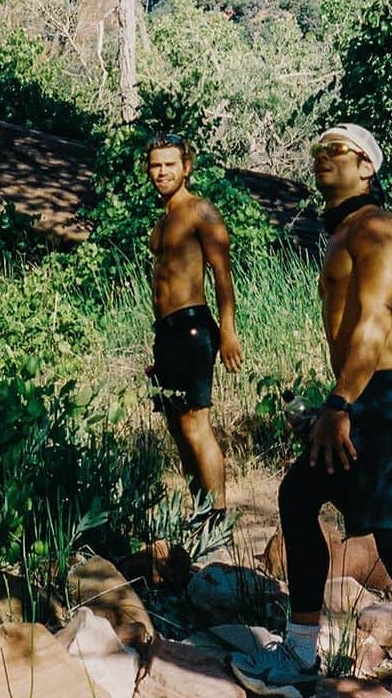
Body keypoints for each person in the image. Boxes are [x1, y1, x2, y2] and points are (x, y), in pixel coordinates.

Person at [232, 123, 392, 698]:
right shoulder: (346, 230)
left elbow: (374, 324)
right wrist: (331, 405)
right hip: (362, 397)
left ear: (366, 167)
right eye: (317, 149)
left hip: (381, 396)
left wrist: (340, 403)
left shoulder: (376, 230)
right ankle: (301, 652)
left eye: (336, 150)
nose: (322, 157)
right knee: (299, 496)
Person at [145, 133, 244, 523]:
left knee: (196, 423)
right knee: (175, 425)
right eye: (155, 165)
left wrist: (228, 331)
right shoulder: (162, 220)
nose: (162, 172)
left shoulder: (200, 211)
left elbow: (222, 275)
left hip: (193, 327)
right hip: (166, 332)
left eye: (170, 164)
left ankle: (218, 515)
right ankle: (199, 510)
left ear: (186, 167)